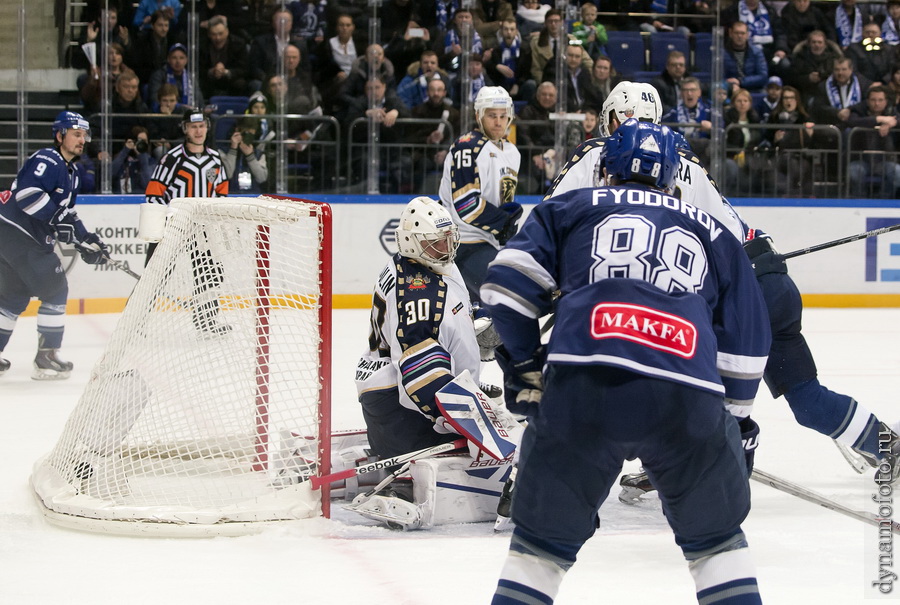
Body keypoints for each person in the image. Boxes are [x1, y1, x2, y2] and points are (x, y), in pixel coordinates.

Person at [550, 81, 900, 488]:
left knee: (668, 377)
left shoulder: (599, 155)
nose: (633, 128)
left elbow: (552, 216)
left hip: (736, 298)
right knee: (807, 399)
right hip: (770, 285)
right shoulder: (684, 158)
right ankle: (887, 444)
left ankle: (682, 463)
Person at [482, 120, 769, 605]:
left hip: (583, 386)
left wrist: (524, 363)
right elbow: (748, 343)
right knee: (718, 546)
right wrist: (731, 424)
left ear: (604, 169)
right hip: (687, 394)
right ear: (673, 177)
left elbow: (504, 290)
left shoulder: (569, 206)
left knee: (538, 552)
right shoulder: (714, 230)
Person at [355, 196, 475, 459]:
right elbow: (419, 373)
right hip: (400, 407)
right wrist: (461, 419)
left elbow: (441, 323)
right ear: (411, 242)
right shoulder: (417, 295)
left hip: (392, 389)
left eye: (448, 238)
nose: (446, 247)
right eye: (436, 243)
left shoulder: (428, 264)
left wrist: (471, 322)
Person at [0, 112, 109, 379]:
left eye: (84, 135)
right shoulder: (48, 159)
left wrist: (86, 240)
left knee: (12, 298)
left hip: (11, 237)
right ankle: (46, 358)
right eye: (76, 134)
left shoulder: (72, 173)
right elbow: (28, 196)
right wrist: (59, 220)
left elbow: (65, 215)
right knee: (56, 290)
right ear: (60, 135)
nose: (82, 140)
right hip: (19, 234)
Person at [438, 86, 521, 305]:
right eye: (492, 116)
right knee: (503, 298)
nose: (498, 122)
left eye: (503, 116)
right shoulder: (466, 148)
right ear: (479, 116)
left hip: (490, 243)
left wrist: (507, 224)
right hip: (462, 244)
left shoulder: (513, 152)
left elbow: (504, 199)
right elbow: (466, 205)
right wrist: (502, 223)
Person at [846, 84, 900, 198]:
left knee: (897, 173)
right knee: (854, 171)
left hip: (885, 161)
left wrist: (893, 123)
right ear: (867, 101)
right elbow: (852, 122)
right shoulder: (859, 113)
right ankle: (860, 201)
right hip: (862, 159)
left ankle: (885, 199)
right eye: (873, 100)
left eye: (880, 100)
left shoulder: (892, 114)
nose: (877, 103)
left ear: (886, 101)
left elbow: (897, 119)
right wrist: (878, 119)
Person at [221, 116, 269, 194]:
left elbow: (262, 178)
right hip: (230, 194)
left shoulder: (259, 154)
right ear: (237, 131)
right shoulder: (223, 151)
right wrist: (233, 149)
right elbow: (227, 174)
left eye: (250, 135)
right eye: (245, 134)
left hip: (254, 195)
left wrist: (250, 156)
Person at [110, 125, 156, 193]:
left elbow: (148, 185)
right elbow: (109, 175)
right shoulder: (121, 159)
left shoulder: (151, 161)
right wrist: (125, 151)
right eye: (139, 140)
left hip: (140, 199)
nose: (141, 143)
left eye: (144, 141)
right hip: (118, 198)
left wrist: (142, 157)